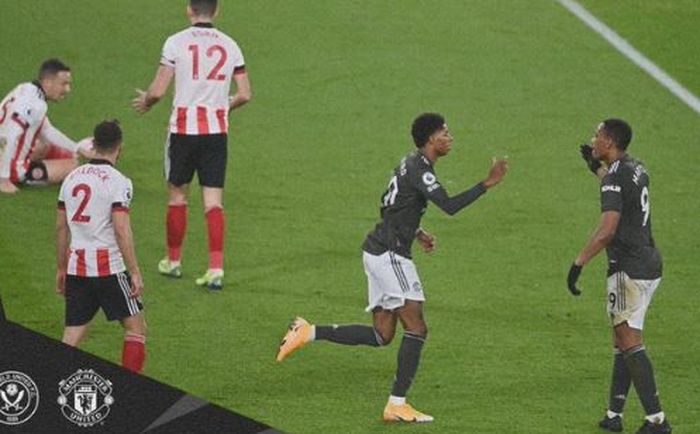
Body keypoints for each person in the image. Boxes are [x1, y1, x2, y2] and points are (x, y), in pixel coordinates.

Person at [276, 113, 508, 423]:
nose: (450, 137)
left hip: (377, 249)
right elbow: (449, 206)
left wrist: (416, 231)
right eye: (444, 133)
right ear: (430, 139)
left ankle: (307, 331)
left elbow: (388, 206)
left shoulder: (407, 163)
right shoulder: (421, 169)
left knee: (382, 334)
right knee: (417, 327)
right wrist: (487, 183)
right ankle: (397, 404)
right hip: (390, 255)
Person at [132, 0, 252, 290]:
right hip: (216, 134)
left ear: (189, 9)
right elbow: (245, 94)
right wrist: (223, 107)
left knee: (177, 197)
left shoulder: (176, 42)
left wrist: (146, 101)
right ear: (216, 10)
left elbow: (158, 91)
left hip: (183, 132)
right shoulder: (230, 45)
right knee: (213, 203)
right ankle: (215, 269)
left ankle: (173, 262)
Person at [568, 119, 671, 434]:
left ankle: (657, 420)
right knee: (622, 339)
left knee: (628, 340)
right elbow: (619, 188)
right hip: (650, 262)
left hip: (628, 268)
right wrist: (595, 169)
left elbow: (608, 229)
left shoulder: (615, 176)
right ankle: (614, 414)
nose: (593, 139)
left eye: (597, 135)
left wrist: (578, 263)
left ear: (609, 142)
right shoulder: (635, 167)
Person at [55, 120, 146, 374]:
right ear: (120, 147)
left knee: (72, 336)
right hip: (109, 269)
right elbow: (120, 229)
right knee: (136, 328)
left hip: (76, 267)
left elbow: (61, 228)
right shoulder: (119, 182)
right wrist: (135, 271)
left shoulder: (71, 178)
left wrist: (61, 267)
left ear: (93, 144)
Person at [0, 58, 93, 194]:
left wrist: (77, 148)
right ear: (48, 83)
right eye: (63, 84)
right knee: (72, 165)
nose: (67, 89)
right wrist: (4, 179)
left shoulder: (26, 88)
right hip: (9, 165)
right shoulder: (35, 105)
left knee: (44, 145)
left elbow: (47, 130)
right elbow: (10, 135)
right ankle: (18, 172)